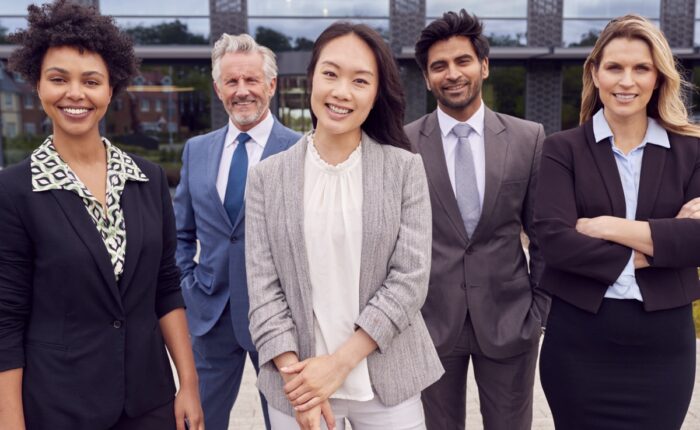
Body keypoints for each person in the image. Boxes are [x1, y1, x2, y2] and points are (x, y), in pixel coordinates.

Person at [0, 1, 203, 429]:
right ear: (37, 85)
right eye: (59, 79)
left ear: (111, 90)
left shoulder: (147, 179)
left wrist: (188, 383)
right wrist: (10, 421)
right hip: (58, 407)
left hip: (149, 402)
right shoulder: (15, 191)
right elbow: (7, 318)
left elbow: (166, 286)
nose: (75, 93)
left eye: (91, 81)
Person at [245, 22, 444, 430]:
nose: (341, 92)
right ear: (311, 79)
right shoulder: (267, 178)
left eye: (360, 81)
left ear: (376, 94)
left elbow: (410, 280)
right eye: (330, 74)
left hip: (388, 382)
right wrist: (298, 383)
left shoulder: (404, 169)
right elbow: (263, 289)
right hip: (297, 382)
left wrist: (337, 366)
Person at [534, 14, 700, 430]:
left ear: (658, 77)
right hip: (578, 344)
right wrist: (659, 245)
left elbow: (696, 241)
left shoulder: (691, 151)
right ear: (595, 72)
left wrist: (605, 226)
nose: (627, 81)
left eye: (641, 68)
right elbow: (554, 240)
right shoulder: (561, 150)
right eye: (615, 67)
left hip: (664, 347)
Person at [405, 10, 550, 430]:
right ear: (427, 78)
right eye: (439, 66)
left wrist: (539, 313)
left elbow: (542, 236)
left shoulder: (529, 139)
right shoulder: (403, 145)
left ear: (483, 66)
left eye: (462, 61)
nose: (452, 73)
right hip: (430, 325)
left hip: (511, 322)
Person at [173, 33, 300, 430]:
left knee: (287, 424)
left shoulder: (301, 151)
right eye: (232, 82)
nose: (242, 91)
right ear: (217, 88)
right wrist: (189, 285)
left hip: (281, 322)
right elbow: (180, 234)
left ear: (271, 85)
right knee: (199, 422)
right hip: (211, 315)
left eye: (251, 80)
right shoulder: (197, 150)